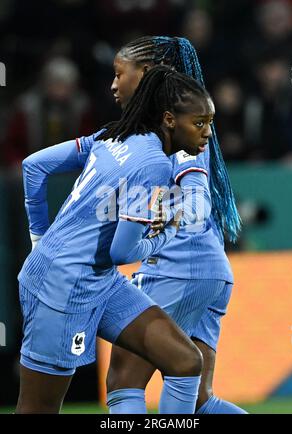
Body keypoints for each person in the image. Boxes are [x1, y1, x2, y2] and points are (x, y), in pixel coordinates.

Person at [20, 36, 246, 414]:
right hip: (65, 284)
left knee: (183, 361)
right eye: (201, 124)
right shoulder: (153, 162)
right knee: (38, 409)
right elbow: (123, 251)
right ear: (171, 117)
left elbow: (33, 165)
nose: (207, 136)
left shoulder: (114, 133)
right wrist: (170, 229)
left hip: (101, 277)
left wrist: (38, 239)